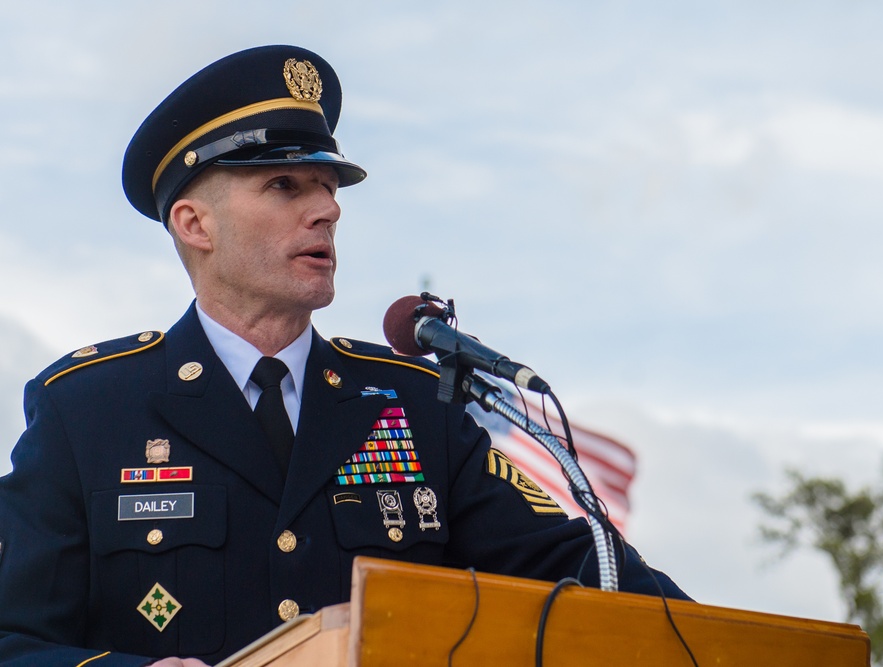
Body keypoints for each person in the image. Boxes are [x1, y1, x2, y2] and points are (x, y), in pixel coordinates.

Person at [0, 45, 689, 666]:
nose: (326, 210)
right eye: (285, 186)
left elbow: (583, 571)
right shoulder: (86, 410)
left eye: (328, 187)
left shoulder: (415, 406)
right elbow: (14, 639)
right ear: (194, 223)